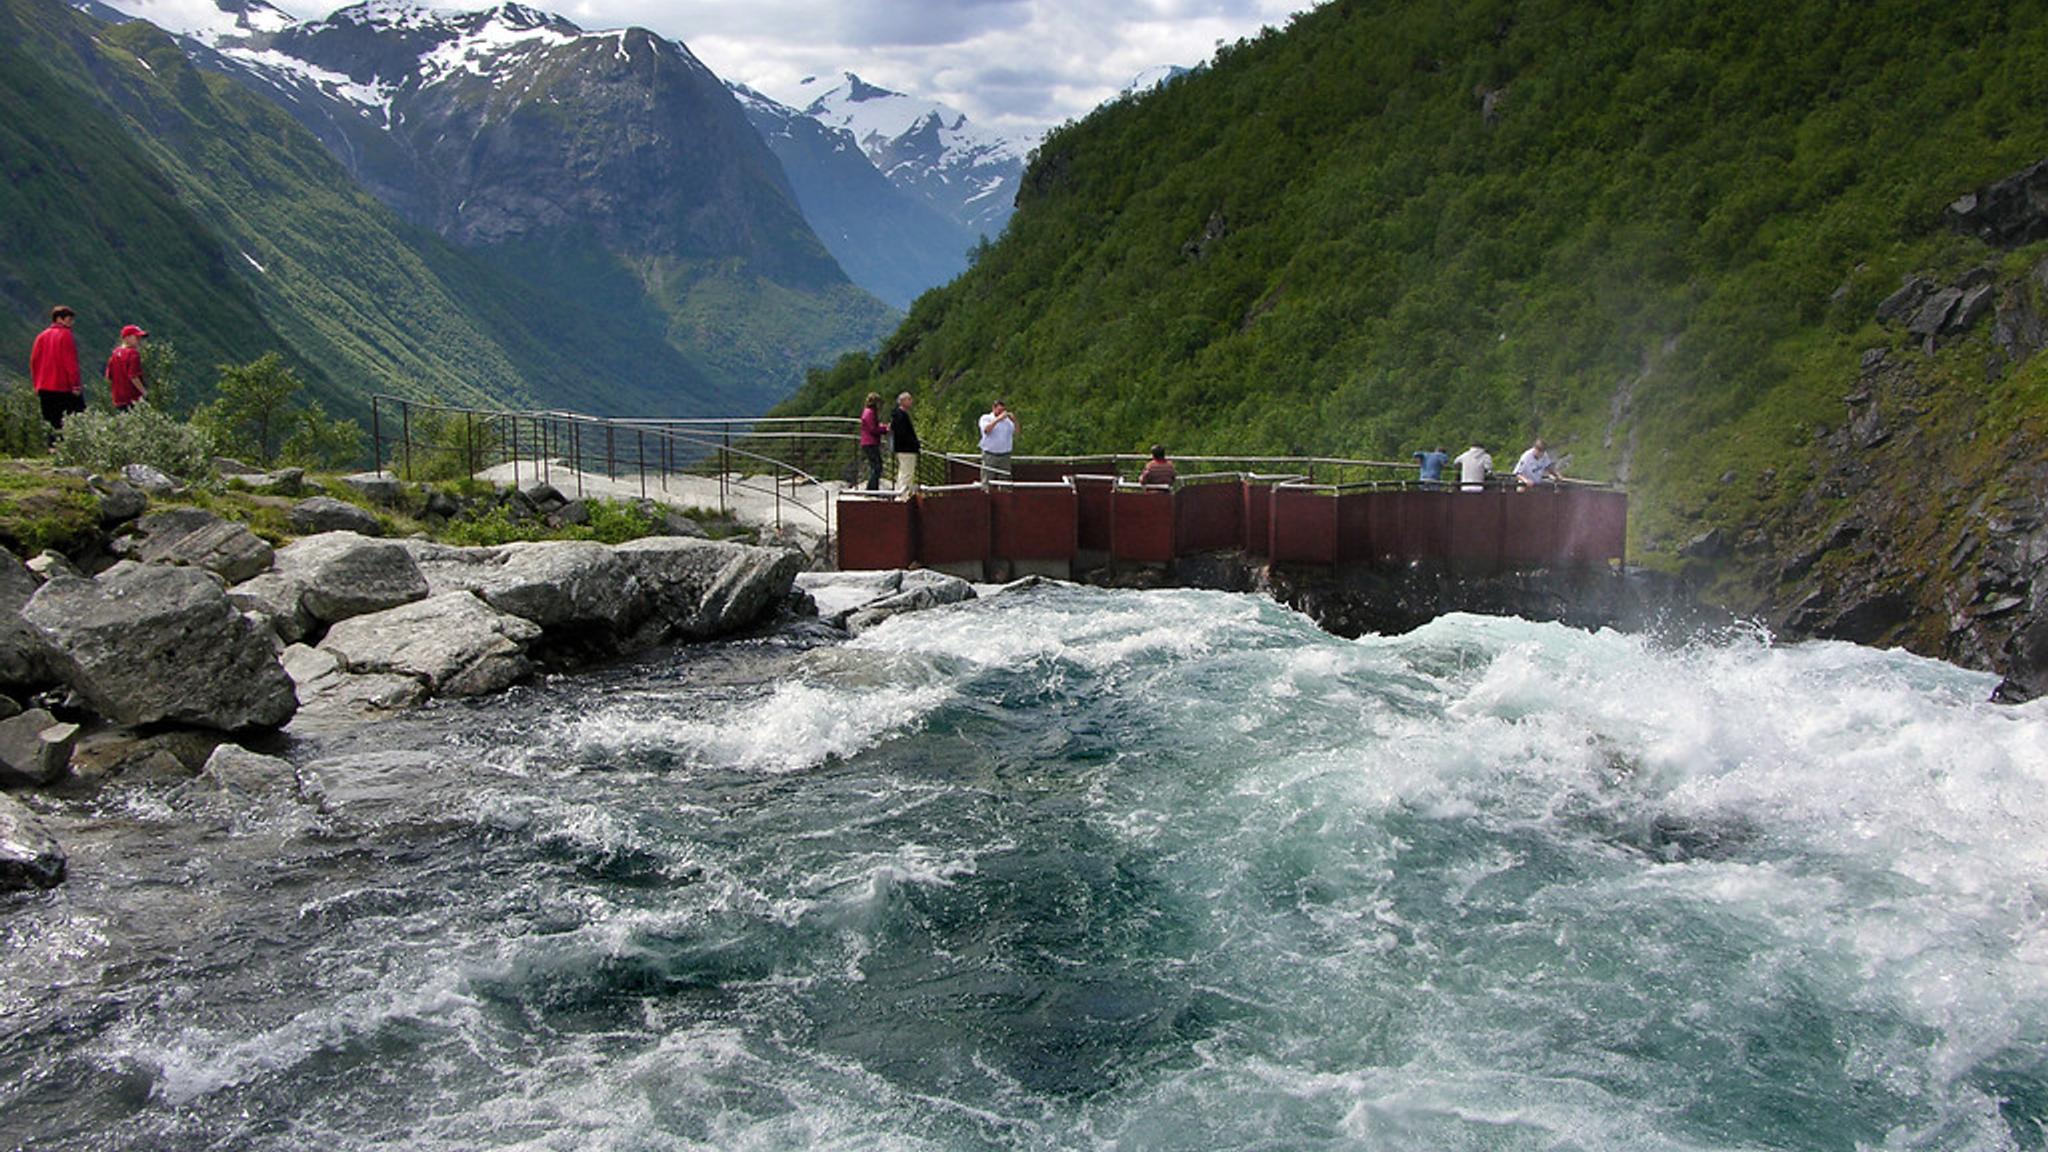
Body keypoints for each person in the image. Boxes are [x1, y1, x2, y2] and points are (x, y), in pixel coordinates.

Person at [29, 305, 82, 439]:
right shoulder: (66, 335)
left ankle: (52, 447)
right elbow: (70, 362)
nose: (71, 323)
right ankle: (69, 447)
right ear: (60, 319)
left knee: (51, 419)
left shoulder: (41, 336)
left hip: (44, 385)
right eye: (69, 320)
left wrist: (36, 383)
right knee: (74, 415)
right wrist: (75, 384)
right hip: (62, 385)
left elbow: (34, 361)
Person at [105, 324, 148, 411]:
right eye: (136, 337)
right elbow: (133, 376)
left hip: (118, 399)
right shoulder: (133, 354)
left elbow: (108, 377)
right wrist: (144, 392)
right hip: (133, 399)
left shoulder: (115, 354)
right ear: (127, 338)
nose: (139, 340)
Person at [889, 391, 921, 499]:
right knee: (907, 473)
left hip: (902, 448)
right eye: (909, 399)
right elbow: (904, 433)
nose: (911, 401)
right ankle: (903, 496)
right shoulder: (901, 416)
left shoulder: (897, 415)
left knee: (904, 472)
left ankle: (902, 494)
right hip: (906, 448)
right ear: (902, 401)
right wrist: (914, 443)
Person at [977, 398, 1016, 482]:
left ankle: (1005, 493)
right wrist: (998, 419)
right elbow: (987, 430)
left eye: (1003, 410)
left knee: (1005, 479)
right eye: (999, 410)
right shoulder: (986, 418)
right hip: (990, 455)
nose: (1001, 412)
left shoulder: (1007, 421)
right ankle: (986, 492)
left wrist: (1014, 421)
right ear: (994, 408)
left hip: (1005, 455)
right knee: (987, 478)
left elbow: (1017, 432)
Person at [858, 391, 885, 491]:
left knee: (876, 466)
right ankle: (871, 489)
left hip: (867, 442)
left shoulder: (867, 412)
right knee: (877, 466)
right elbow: (873, 429)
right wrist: (885, 429)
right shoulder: (870, 413)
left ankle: (873, 488)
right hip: (870, 442)